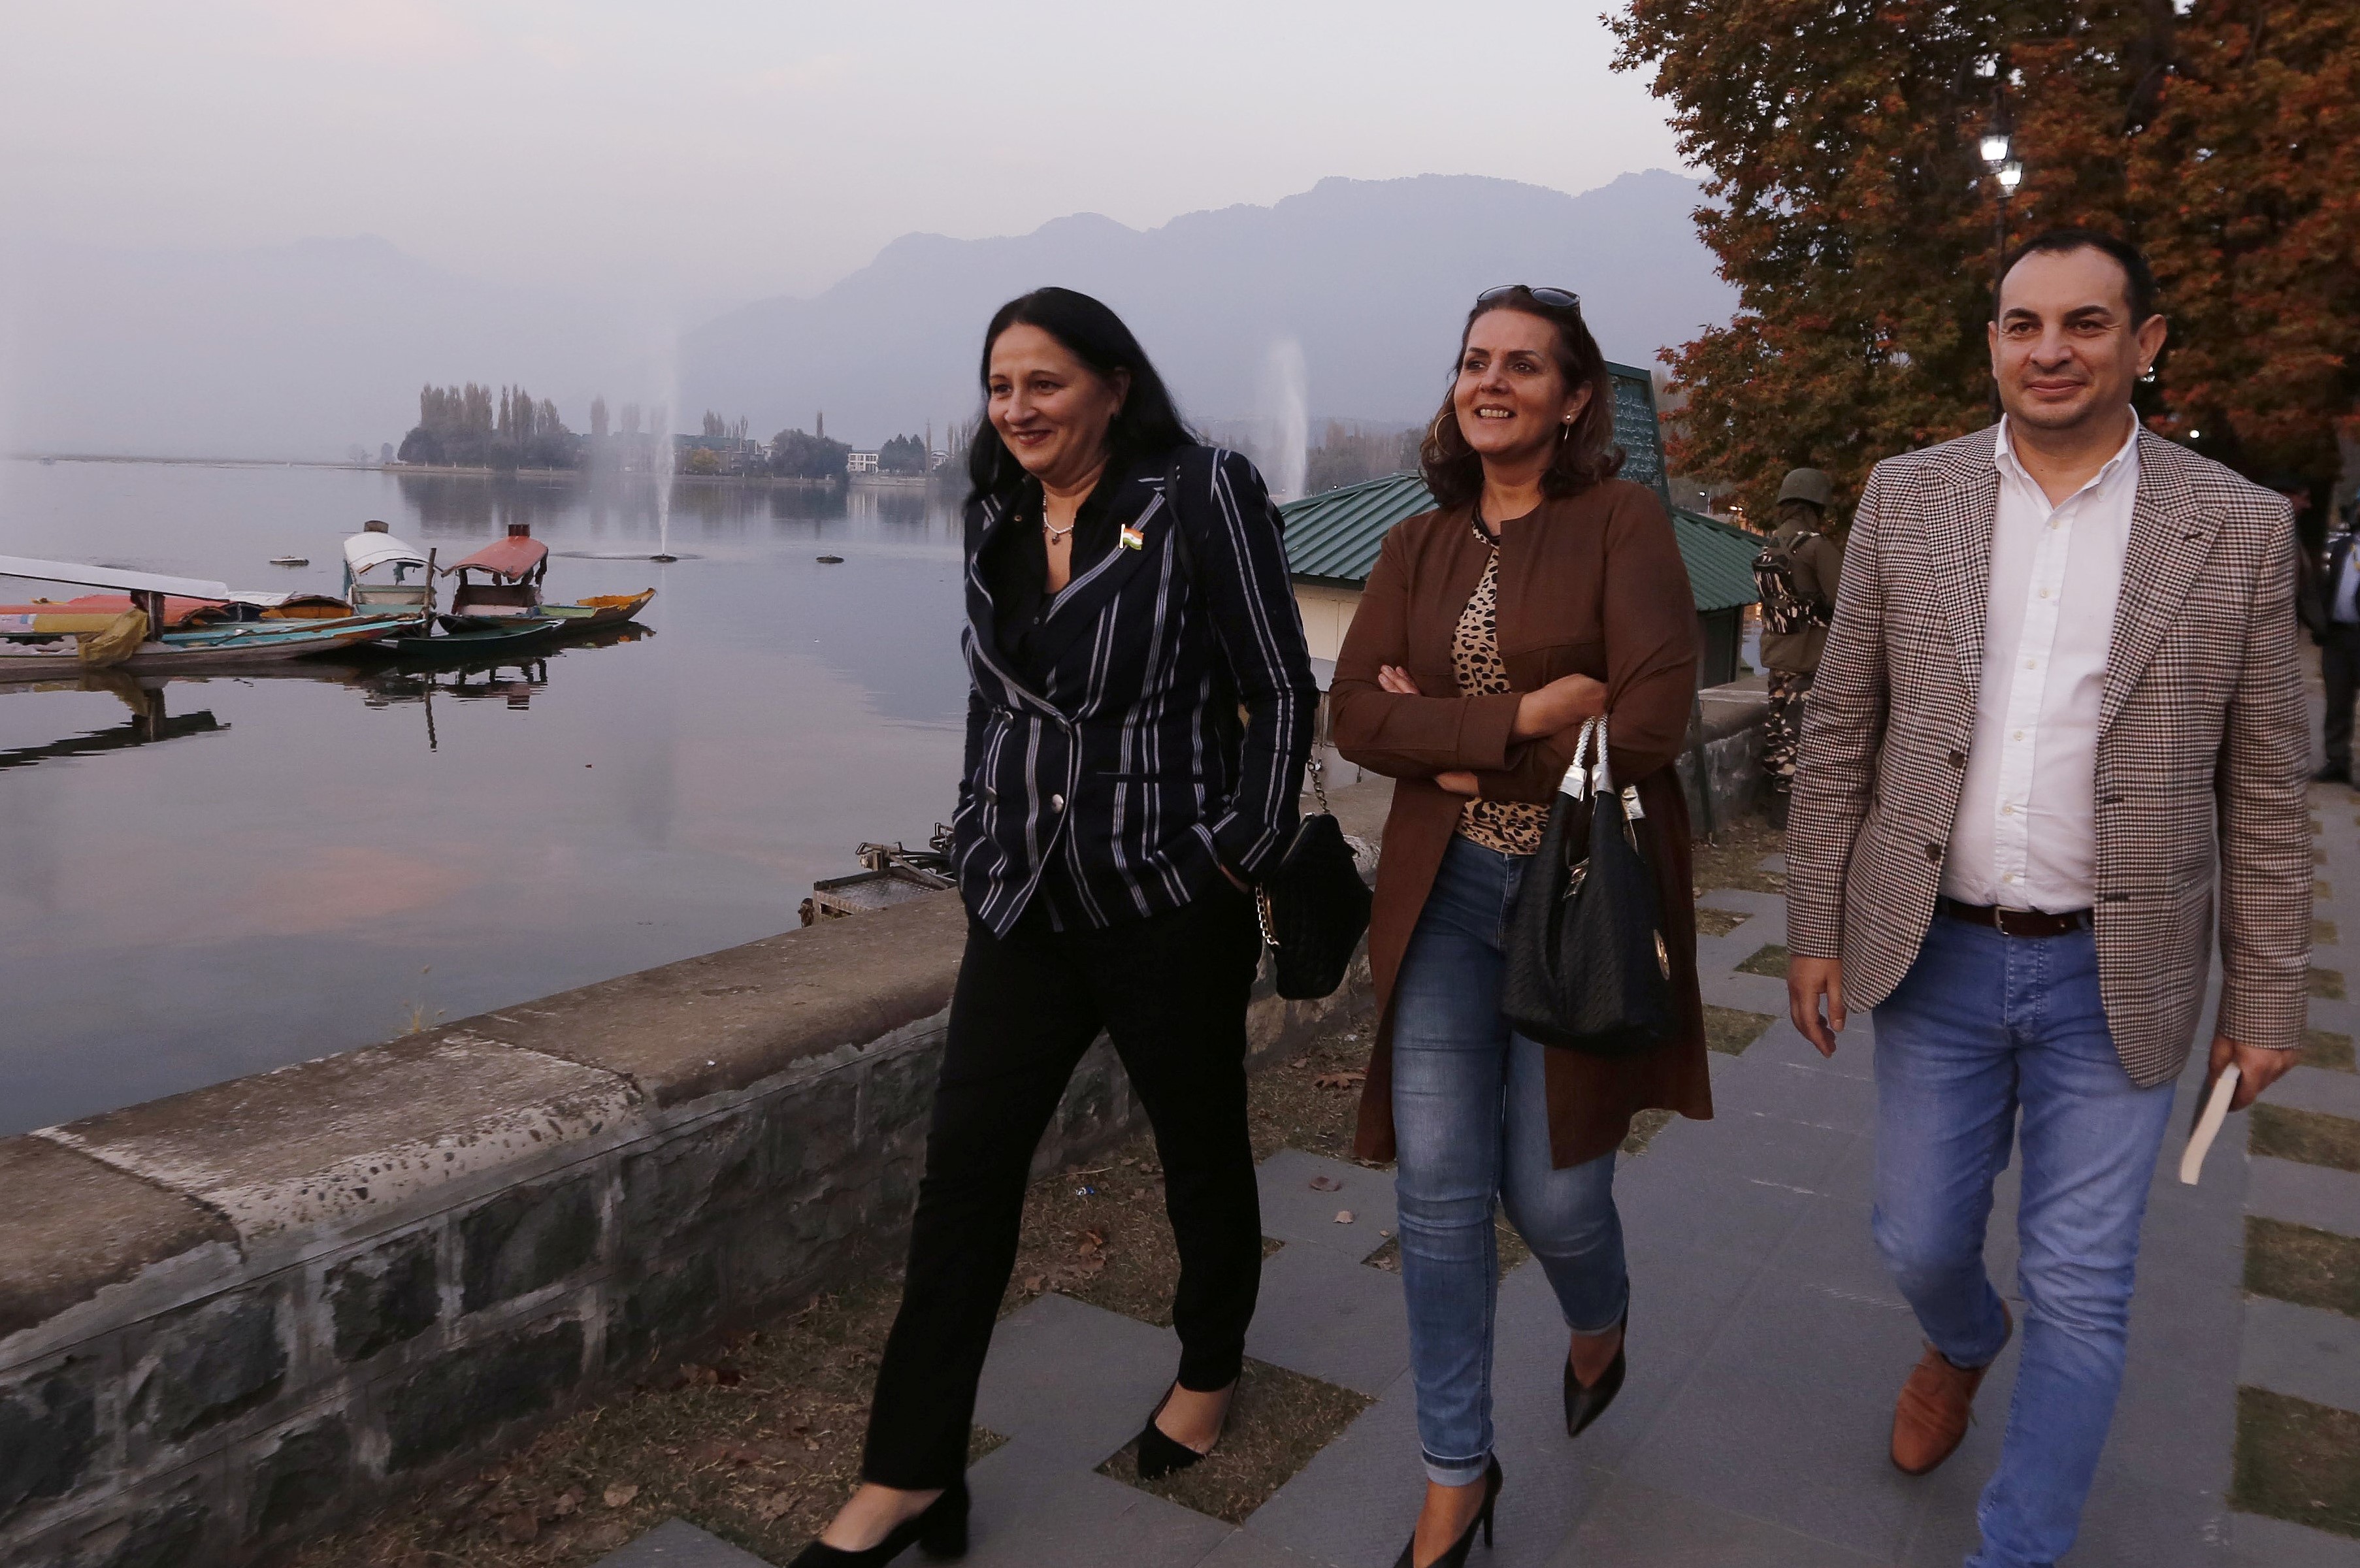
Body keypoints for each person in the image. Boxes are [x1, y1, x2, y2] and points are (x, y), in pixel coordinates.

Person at [1784, 230, 2308, 1568]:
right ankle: (1962, 1338)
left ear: (2146, 342)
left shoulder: (2238, 526)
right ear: (1994, 345)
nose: (2051, 349)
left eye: (2086, 322)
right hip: (1936, 953)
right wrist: (1812, 928)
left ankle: (2016, 1549)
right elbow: (1841, 729)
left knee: (2081, 1283)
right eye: (2024, 325)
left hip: (2118, 968)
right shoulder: (1909, 498)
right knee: (1916, 1237)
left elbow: (2264, 787)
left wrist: (2266, 996)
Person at [793, 288, 1318, 1567]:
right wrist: (976, 833)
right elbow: (995, 702)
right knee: (962, 1179)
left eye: (1044, 383)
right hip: (1022, 902)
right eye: (1000, 386)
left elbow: (1278, 686)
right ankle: (909, 1473)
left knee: (1198, 1147)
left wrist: (1236, 850)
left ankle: (1208, 1364)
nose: (1016, 409)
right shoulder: (995, 513)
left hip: (1165, 896)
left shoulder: (1200, 493)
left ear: (1113, 386)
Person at [1329, 285, 1709, 1568]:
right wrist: (1527, 717)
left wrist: (1440, 741)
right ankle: (1456, 1472)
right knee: (1439, 1194)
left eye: (1523, 365)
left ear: (1573, 397)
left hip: (1578, 897)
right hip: (1444, 900)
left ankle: (1599, 1314)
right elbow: (1354, 717)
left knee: (1554, 1199)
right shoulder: (1414, 544)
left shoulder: (1621, 522)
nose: (1490, 381)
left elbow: (1648, 722)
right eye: (1474, 360)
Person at [1753, 466, 1844, 815]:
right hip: (1810, 654)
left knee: (1776, 725)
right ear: (1816, 506)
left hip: (1778, 650)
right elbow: (1844, 600)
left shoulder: (1771, 544)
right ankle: (1791, 806)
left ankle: (1772, 793)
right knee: (1800, 731)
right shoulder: (1815, 547)